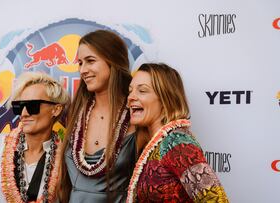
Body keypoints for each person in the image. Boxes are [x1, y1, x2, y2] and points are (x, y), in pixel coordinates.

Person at [0, 72, 69, 203]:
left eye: (32, 106)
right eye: (19, 106)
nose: (24, 113)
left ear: (56, 109)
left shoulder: (64, 157)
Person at [126, 63, 229, 202]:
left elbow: (216, 199)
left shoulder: (177, 142)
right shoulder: (153, 142)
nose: (131, 97)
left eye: (142, 91)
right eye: (130, 91)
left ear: (165, 99)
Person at [59, 29, 138, 203]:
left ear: (114, 61)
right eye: (80, 63)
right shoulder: (74, 113)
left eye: (90, 61)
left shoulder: (136, 115)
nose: (83, 70)